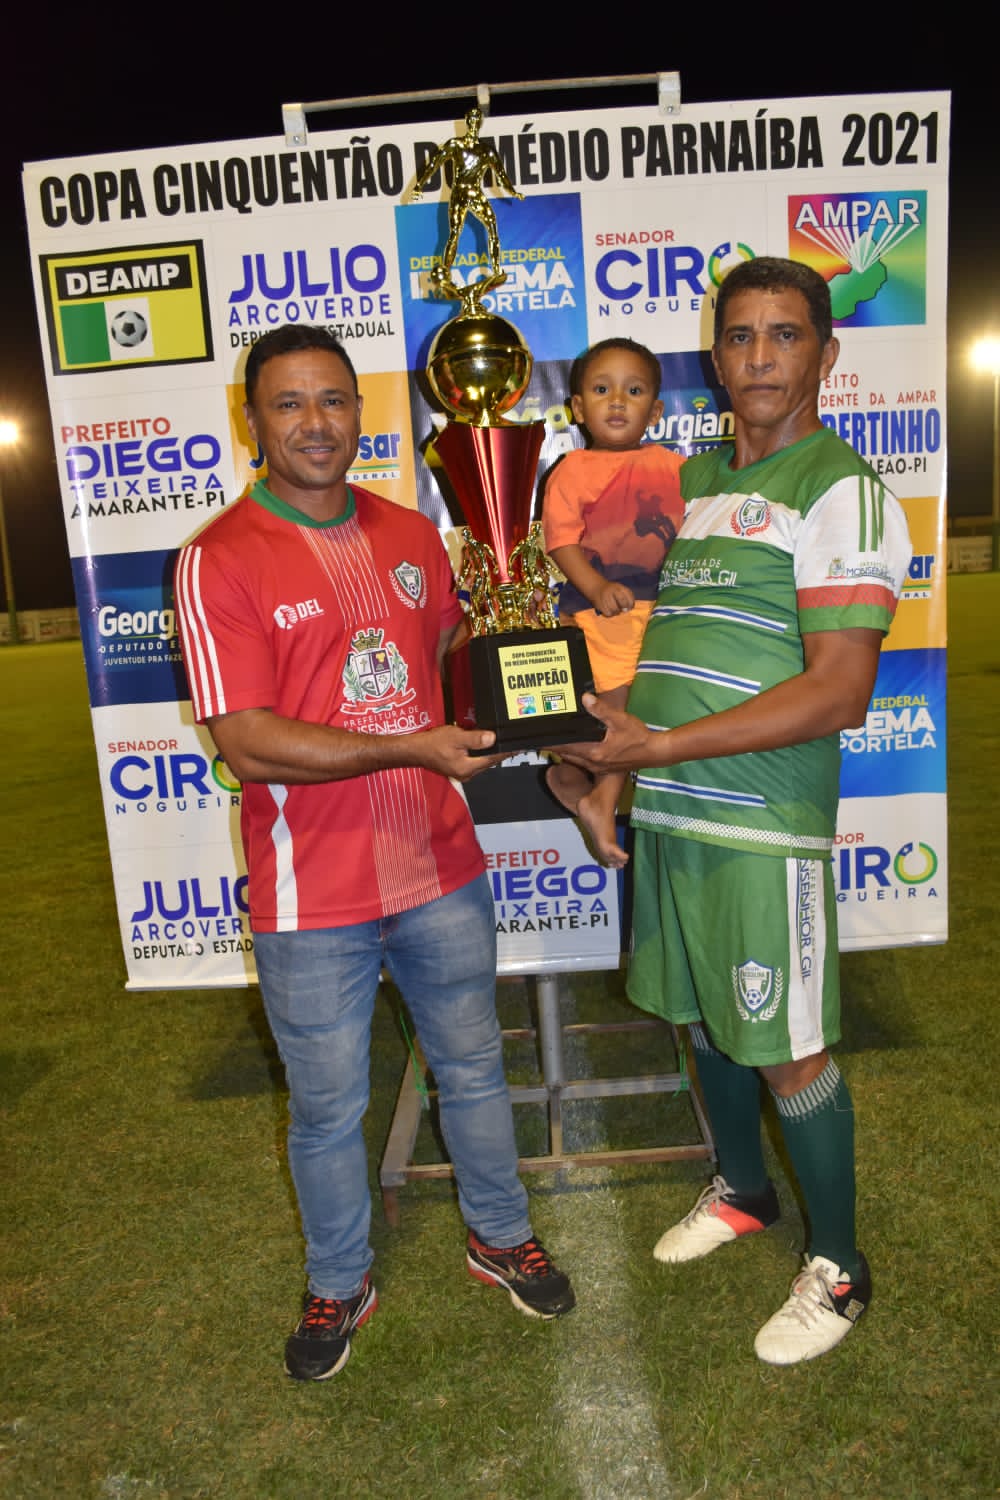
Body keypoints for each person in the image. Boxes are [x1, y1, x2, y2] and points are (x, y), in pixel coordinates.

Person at [174, 324, 575, 1383]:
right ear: (252, 420)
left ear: (363, 415)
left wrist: (520, 668)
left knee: (476, 1070)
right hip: (314, 896)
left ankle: (499, 1234)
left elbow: (453, 654)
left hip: (440, 867)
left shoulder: (409, 533)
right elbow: (248, 738)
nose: (315, 423)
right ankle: (338, 1279)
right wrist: (409, 744)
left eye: (334, 402)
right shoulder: (218, 557)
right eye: (290, 404)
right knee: (326, 1110)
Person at [554, 259, 911, 1364]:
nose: (760, 356)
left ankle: (841, 1268)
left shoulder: (842, 488)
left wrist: (650, 746)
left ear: (824, 355)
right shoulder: (700, 480)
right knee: (701, 1015)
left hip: (763, 825)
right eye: (741, 336)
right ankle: (744, 1190)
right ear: (715, 357)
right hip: (673, 812)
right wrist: (609, 760)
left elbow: (836, 689)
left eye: (784, 335)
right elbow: (669, 656)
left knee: (788, 1049)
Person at [542, 337, 683, 867]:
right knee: (616, 702)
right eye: (602, 390)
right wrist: (597, 588)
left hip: (659, 605)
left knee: (646, 706)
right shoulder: (572, 470)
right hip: (601, 604)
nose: (618, 401)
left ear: (657, 409)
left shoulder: (674, 467)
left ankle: (579, 780)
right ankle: (601, 797)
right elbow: (561, 541)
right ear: (578, 408)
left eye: (634, 389)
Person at [410, 107, 523, 303]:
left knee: (492, 226)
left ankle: (497, 269)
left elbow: (501, 175)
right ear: (466, 120)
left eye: (477, 118)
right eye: (471, 118)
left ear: (480, 123)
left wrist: (512, 191)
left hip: (475, 192)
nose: (474, 122)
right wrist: (419, 184)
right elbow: (434, 163)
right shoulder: (456, 145)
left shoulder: (486, 151)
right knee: (455, 233)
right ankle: (446, 273)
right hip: (460, 192)